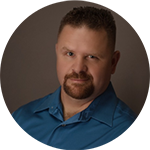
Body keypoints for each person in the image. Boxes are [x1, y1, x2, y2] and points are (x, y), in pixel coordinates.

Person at [12, 6, 135, 150]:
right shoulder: (20, 119)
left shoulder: (131, 133)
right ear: (57, 52)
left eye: (91, 57)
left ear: (113, 62)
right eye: (70, 54)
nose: (78, 68)